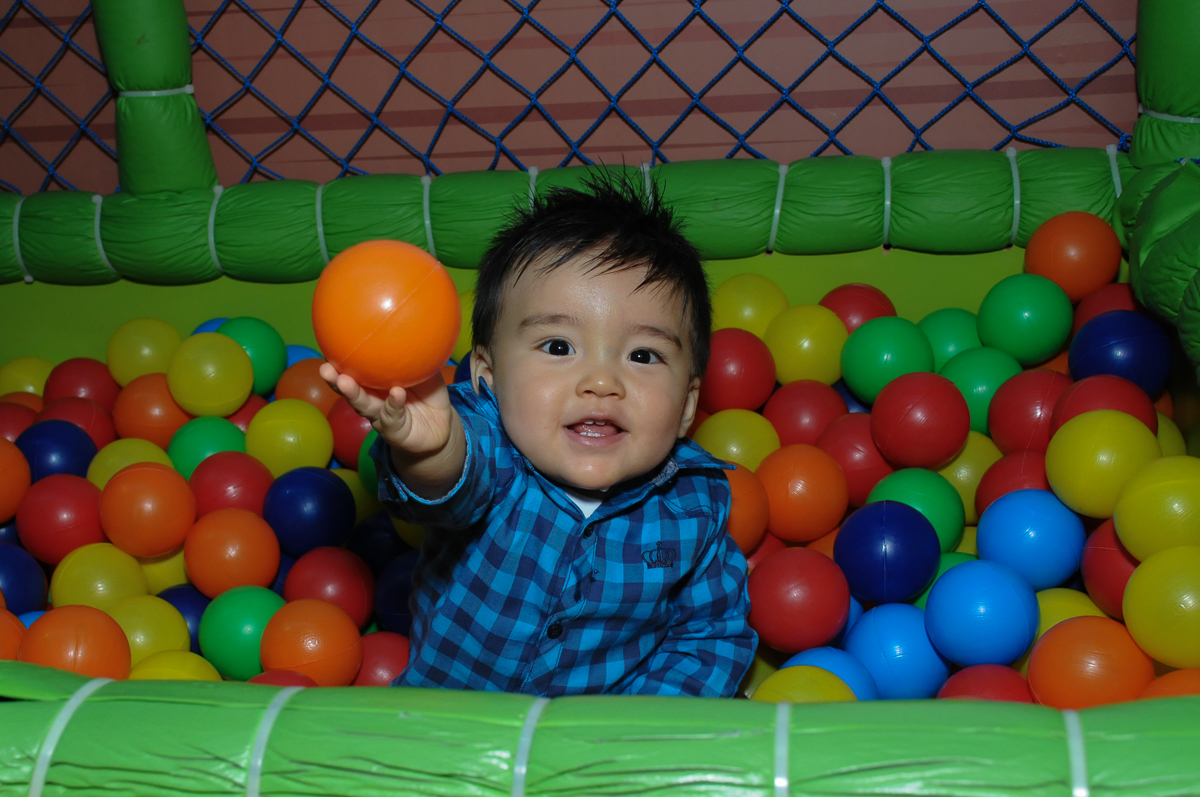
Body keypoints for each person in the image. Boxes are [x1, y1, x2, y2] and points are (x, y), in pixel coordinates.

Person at [321, 170, 756, 697]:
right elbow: (452, 481)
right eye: (558, 347)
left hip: (597, 739)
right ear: (487, 376)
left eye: (643, 355)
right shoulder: (491, 447)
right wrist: (433, 448)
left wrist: (643, 727)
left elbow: (711, 634)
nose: (602, 382)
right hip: (446, 724)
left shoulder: (694, 506)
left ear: (687, 405)